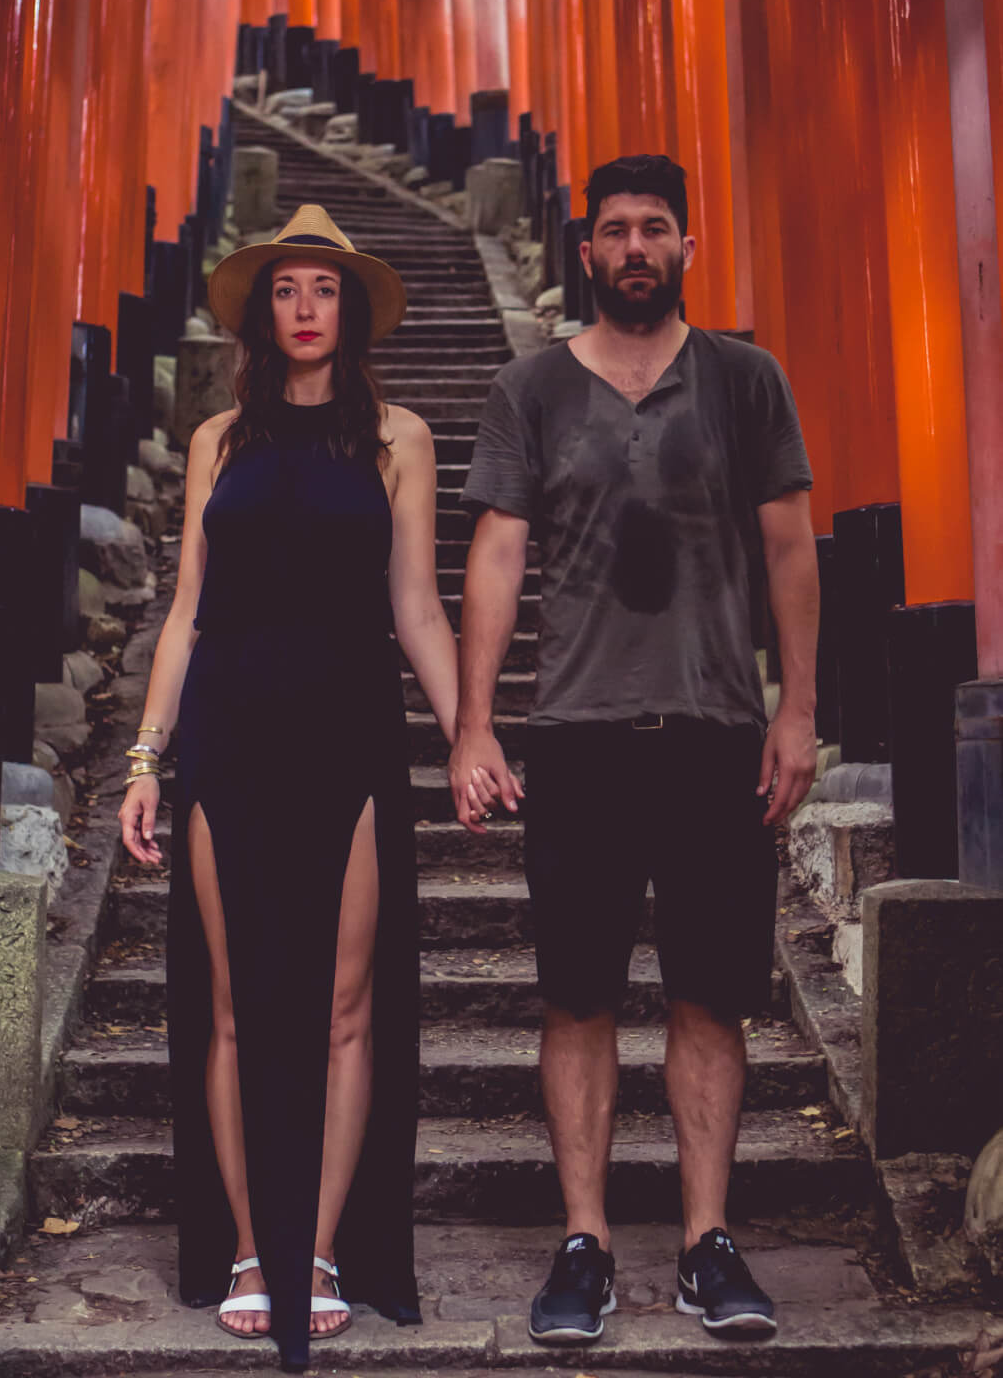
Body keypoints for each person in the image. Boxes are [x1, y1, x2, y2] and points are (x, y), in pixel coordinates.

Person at [449, 155, 819, 1344]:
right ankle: (586, 1242)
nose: (636, 247)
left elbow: (792, 550)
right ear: (586, 249)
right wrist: (474, 721)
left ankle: (710, 1241)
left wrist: (798, 707)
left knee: (713, 994)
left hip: (716, 731)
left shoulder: (745, 380)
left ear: (686, 246)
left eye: (657, 227)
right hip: (577, 733)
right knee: (577, 995)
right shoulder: (535, 387)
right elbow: (497, 557)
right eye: (616, 230)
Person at [119, 204, 459, 1373]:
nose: (305, 308)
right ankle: (252, 1251)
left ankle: (315, 1250)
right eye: (287, 289)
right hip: (230, 727)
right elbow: (183, 615)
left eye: (325, 289)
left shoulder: (398, 436)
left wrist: (470, 733)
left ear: (350, 310)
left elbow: (417, 607)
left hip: (350, 728)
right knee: (229, 1002)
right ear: (263, 311)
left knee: (343, 1004)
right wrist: (144, 758)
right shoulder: (218, 438)